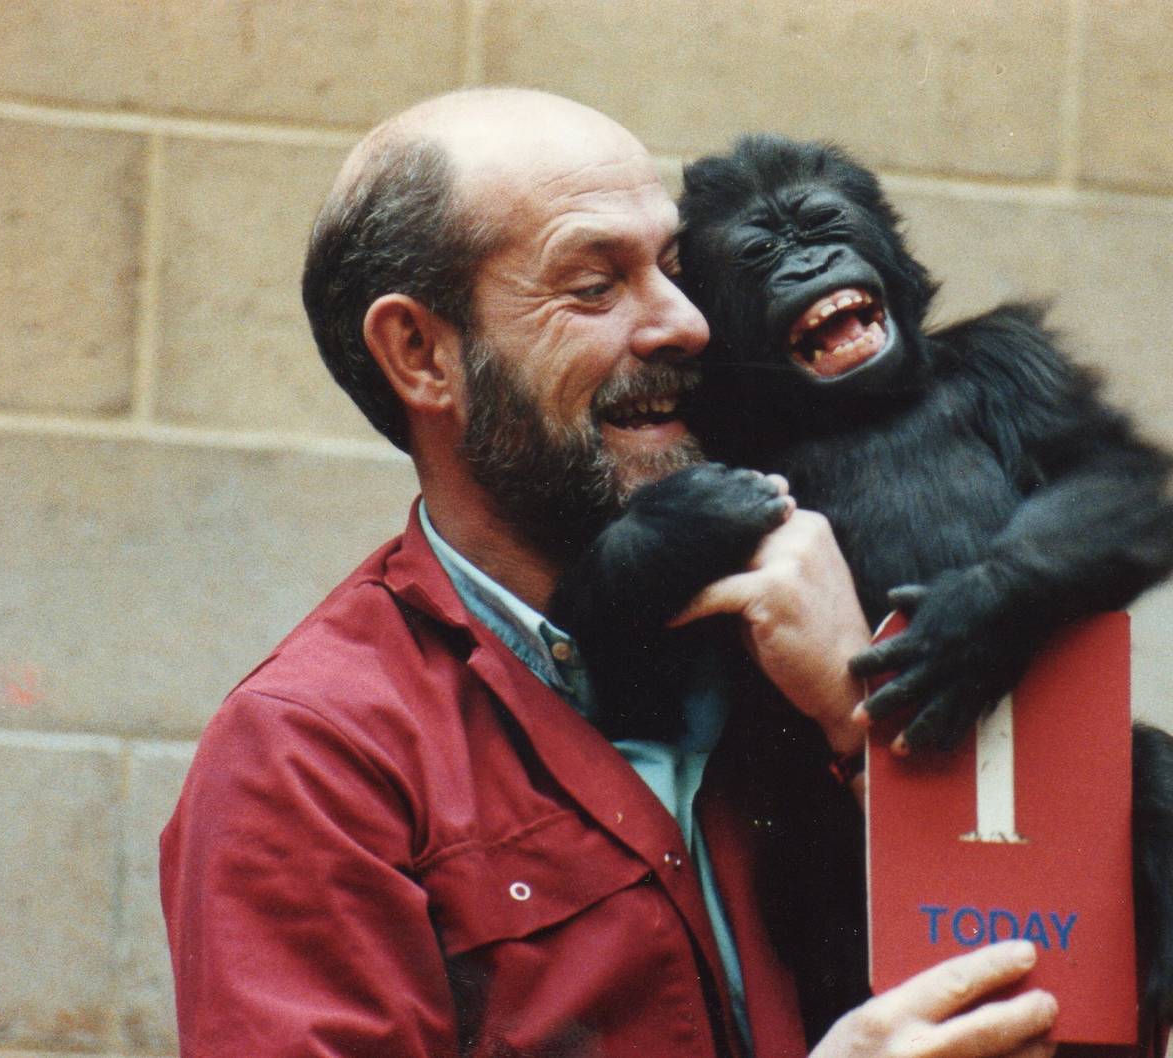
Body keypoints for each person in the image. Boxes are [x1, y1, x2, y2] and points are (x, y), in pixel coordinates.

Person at [159, 88, 1059, 1058]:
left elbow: (1086, 1010)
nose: (686, 323)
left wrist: (865, 722)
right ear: (422, 354)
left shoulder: (829, 608)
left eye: (674, 267)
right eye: (595, 286)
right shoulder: (316, 754)